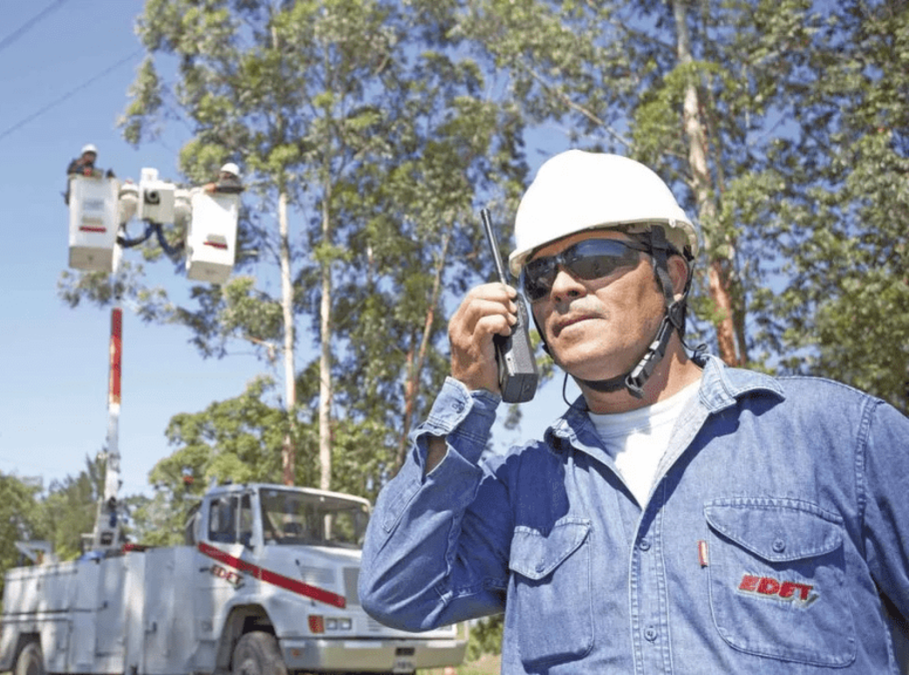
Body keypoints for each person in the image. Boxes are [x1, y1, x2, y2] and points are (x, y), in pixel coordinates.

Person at [359, 149, 909, 673]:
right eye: (540, 276)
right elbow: (399, 591)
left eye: (593, 259)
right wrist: (467, 394)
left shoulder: (839, 436)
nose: (563, 288)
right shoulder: (524, 487)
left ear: (673, 276)